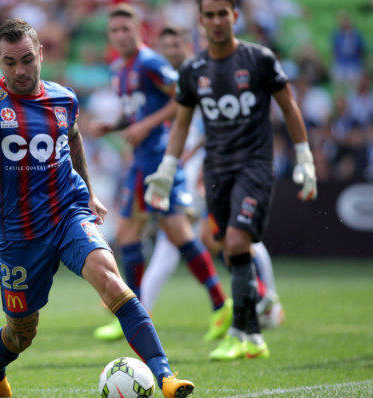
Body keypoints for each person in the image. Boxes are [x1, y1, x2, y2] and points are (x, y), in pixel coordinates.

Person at [0, 17, 194, 398]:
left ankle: (165, 377)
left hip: (67, 212)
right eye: (10, 62)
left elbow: (74, 140)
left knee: (112, 281)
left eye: (27, 59)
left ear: (41, 53)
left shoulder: (64, 98)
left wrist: (90, 193)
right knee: (21, 333)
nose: (21, 70)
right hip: (20, 232)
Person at [146, 0, 317, 361]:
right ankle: (255, 328)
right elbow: (180, 123)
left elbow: (288, 106)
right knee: (221, 242)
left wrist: (304, 157)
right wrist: (167, 169)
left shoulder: (259, 59)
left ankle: (242, 331)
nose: (216, 21)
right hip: (216, 171)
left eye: (223, 13)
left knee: (238, 241)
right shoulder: (194, 70)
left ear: (235, 17)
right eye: (209, 14)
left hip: (253, 166)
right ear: (201, 20)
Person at [90, 4, 230, 343]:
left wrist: (146, 125)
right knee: (132, 236)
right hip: (140, 161)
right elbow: (139, 111)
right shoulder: (118, 69)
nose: (121, 36)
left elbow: (182, 98)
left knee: (169, 235)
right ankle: (137, 312)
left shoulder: (151, 62)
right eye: (115, 31)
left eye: (127, 29)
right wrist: (116, 125)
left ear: (140, 31)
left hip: (159, 159)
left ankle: (217, 306)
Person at [141, 26, 285, 331]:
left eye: (176, 44)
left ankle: (260, 298)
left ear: (187, 44)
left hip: (207, 172)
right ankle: (255, 298)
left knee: (230, 237)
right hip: (183, 172)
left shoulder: (205, 75)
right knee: (195, 240)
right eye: (165, 45)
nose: (170, 50)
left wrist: (194, 162)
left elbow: (215, 130)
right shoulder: (175, 79)